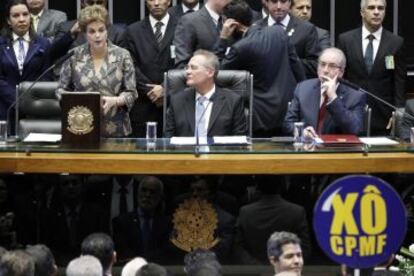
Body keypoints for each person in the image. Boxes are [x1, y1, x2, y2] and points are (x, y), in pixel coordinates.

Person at [215, 0, 305, 137]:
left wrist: (222, 39)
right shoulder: (278, 32)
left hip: (260, 115)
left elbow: (217, 73)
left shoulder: (240, 48)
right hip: (287, 109)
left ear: (233, 25)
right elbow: (296, 66)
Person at [56, 5, 138, 138]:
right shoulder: (73, 56)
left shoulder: (122, 55)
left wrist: (116, 100)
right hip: (81, 127)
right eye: (92, 31)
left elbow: (131, 93)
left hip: (115, 128)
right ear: (84, 33)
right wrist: (77, 101)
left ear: (107, 30)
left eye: (101, 30)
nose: (97, 35)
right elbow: (60, 91)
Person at [337, 0, 406, 136]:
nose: (376, 12)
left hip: (383, 115)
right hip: (352, 111)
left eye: (381, 8)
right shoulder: (346, 39)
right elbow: (341, 77)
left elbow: (399, 81)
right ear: (362, 12)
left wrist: (398, 112)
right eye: (371, 8)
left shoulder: (396, 42)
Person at [0, 0, 72, 121]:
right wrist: (16, 100)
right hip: (5, 108)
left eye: (25, 14)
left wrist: (29, 99)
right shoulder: (1, 44)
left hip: (34, 108)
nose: (22, 19)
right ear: (8, 21)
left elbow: (46, 76)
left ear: (30, 17)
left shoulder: (43, 44)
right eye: (16, 16)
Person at [124, 0, 179, 137]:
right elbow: (130, 66)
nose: (156, 3)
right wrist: (151, 91)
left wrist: (165, 87)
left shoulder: (182, 27)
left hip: (175, 102)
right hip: (143, 103)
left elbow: (185, 62)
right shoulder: (133, 30)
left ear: (170, 2)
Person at [283, 47, 366, 138]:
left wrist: (333, 97)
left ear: (341, 72)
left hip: (337, 150)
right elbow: (288, 124)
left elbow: (355, 129)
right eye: (322, 64)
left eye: (332, 66)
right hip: (308, 148)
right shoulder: (303, 88)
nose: (325, 70)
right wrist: (302, 132)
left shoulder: (355, 96)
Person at [165, 50, 247, 137]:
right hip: (185, 150)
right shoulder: (177, 101)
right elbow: (168, 139)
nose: (187, 72)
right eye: (187, 67)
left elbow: (239, 141)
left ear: (210, 72)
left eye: (193, 68)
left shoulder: (233, 101)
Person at [233, 176, 311, 264]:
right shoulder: (297, 211)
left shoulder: (245, 212)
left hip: (254, 270)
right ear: (282, 186)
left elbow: (238, 249)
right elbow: (304, 249)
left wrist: (255, 266)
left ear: (258, 187)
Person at [256, 0, 319, 78]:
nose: (279, 6)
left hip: (294, 86)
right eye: (274, 1)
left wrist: (288, 61)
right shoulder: (256, 28)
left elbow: (315, 65)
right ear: (267, 3)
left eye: (283, 1)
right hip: (262, 86)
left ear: (290, 3)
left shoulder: (307, 29)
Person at [113, 176, 170, 262]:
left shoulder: (167, 224)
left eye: (152, 192)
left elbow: (167, 252)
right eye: (144, 190)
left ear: (160, 197)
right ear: (137, 193)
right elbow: (122, 251)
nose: (147, 195)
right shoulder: (121, 222)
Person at [173, 0, 230, 68]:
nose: (231, 1)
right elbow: (182, 64)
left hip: (230, 76)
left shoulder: (229, 20)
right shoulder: (189, 21)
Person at [54, 0, 125, 49]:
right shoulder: (66, 28)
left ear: (105, 3)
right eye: (90, 2)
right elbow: (53, 55)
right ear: (82, 3)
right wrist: (71, 33)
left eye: (99, 2)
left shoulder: (118, 33)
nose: (95, 6)